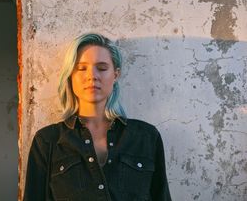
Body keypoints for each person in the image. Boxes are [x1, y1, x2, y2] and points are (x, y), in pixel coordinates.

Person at [23, 33, 172, 201]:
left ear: (115, 75)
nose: (92, 76)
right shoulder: (47, 141)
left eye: (101, 68)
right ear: (70, 75)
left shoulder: (146, 137)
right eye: (81, 68)